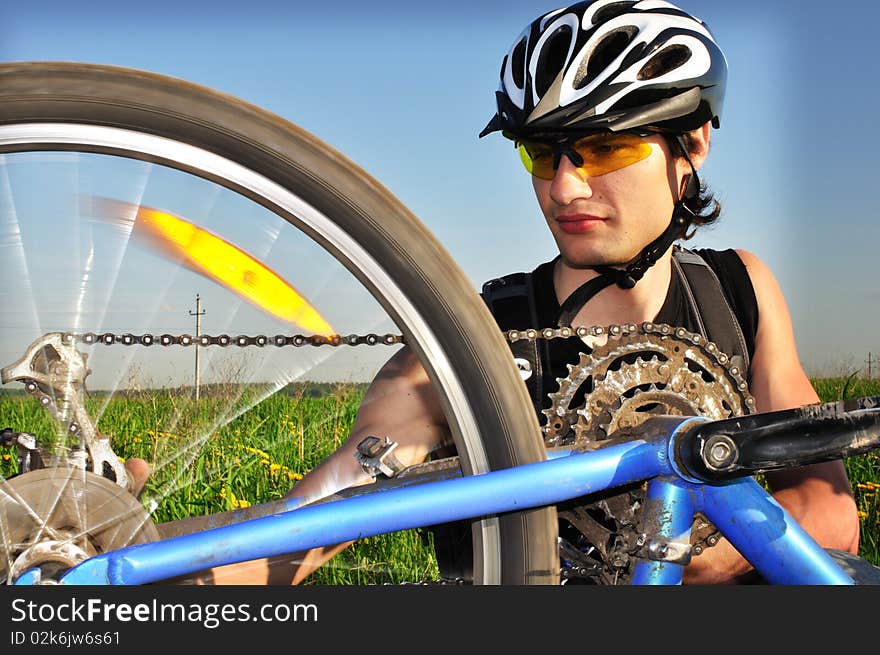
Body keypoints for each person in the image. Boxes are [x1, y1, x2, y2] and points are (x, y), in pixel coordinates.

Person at [126, 0, 860, 584]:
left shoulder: (739, 292)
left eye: (605, 147)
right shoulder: (471, 333)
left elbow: (829, 510)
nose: (564, 185)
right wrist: (134, 562)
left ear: (693, 143)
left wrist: (696, 561)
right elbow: (314, 524)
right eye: (542, 153)